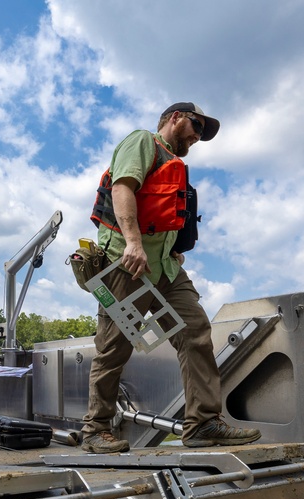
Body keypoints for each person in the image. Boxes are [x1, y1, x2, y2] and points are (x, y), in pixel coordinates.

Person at [81, 102, 262, 454]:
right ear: (175, 118)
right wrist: (133, 242)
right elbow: (122, 189)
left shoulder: (176, 163)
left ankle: (202, 424)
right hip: (126, 263)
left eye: (201, 133)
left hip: (165, 267)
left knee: (195, 330)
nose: (197, 136)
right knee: (114, 347)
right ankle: (95, 429)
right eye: (196, 126)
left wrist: (171, 248)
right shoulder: (142, 142)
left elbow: (160, 212)